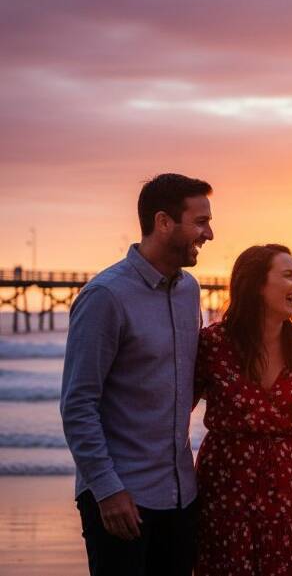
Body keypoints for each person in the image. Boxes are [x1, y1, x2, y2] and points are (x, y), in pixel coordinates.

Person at [60, 173, 214, 575]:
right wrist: (107, 490)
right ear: (163, 222)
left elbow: (187, 382)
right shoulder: (105, 296)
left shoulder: (189, 291)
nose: (209, 233)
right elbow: (78, 404)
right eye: (200, 222)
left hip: (181, 495)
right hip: (122, 500)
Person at [194, 244, 292, 575]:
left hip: (285, 481)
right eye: (288, 276)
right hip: (224, 482)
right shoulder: (213, 343)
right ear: (256, 284)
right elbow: (176, 409)